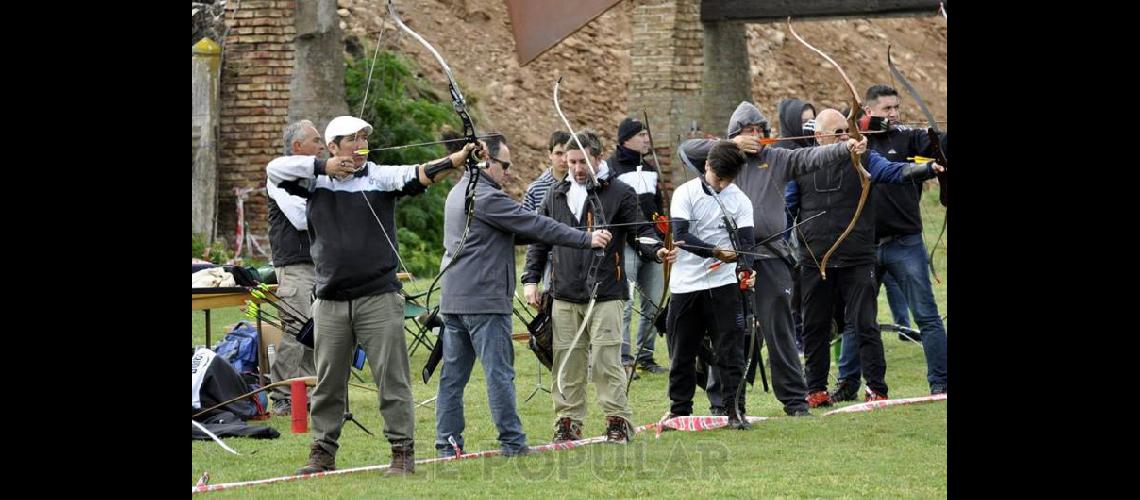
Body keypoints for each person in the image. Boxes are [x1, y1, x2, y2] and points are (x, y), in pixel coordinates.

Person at [267, 115, 479, 476]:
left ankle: (402, 452)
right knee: (329, 382)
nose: (361, 145)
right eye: (352, 139)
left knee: (391, 377)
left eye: (364, 139)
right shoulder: (313, 180)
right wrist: (325, 167)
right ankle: (322, 451)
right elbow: (274, 169)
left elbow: (418, 173)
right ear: (333, 147)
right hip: (331, 299)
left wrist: (458, 159)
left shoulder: (378, 176)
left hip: (378, 296)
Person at [679, 100, 866, 418]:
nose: (755, 136)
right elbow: (686, 149)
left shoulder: (777, 158)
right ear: (735, 134)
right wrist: (731, 145)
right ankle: (722, 402)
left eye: (759, 130)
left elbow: (810, 156)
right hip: (728, 257)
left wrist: (846, 146)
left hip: (770, 255)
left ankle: (794, 401)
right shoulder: (722, 160)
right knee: (724, 330)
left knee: (779, 328)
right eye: (747, 131)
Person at [435, 133, 611, 457]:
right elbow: (536, 225)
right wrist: (586, 239)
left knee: (452, 377)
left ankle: (447, 444)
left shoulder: (457, 193)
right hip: (484, 301)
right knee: (499, 373)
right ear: (486, 162)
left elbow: (505, 234)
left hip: (454, 299)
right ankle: (513, 443)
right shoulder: (489, 198)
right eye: (505, 165)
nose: (509, 172)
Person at [522, 131, 675, 444]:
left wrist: (657, 250)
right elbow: (540, 238)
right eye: (572, 161)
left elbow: (639, 230)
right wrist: (530, 280)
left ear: (598, 159)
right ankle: (567, 421)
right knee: (566, 362)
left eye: (583, 161)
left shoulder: (619, 192)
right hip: (564, 292)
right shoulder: (554, 194)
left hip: (606, 291)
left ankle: (617, 420)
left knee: (607, 361)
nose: (577, 168)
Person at [786, 109, 944, 407]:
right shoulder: (802, 164)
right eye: (837, 133)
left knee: (865, 324)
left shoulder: (864, 158)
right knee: (815, 326)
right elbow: (788, 208)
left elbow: (895, 172)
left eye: (847, 131)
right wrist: (785, 250)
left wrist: (929, 169)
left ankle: (876, 388)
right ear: (818, 137)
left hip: (857, 257)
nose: (845, 137)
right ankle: (816, 389)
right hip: (815, 261)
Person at [831, 84, 949, 400]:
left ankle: (941, 383)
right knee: (857, 318)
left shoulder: (909, 137)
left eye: (897, 107)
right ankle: (847, 383)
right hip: (865, 245)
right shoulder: (854, 142)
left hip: (905, 241)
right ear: (867, 111)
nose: (894, 113)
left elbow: (940, 144)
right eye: (887, 109)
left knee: (926, 314)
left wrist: (938, 145)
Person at [662, 140, 756, 429]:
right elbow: (680, 236)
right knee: (682, 353)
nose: (722, 185)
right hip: (686, 287)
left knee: (731, 351)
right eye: (718, 178)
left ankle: (733, 410)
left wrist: (747, 268)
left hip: (723, 285)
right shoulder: (685, 194)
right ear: (706, 166)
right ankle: (680, 411)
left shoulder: (740, 200)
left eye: (728, 181)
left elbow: (747, 244)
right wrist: (715, 251)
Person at [264, 119, 323, 416]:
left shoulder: (313, 178)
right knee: (296, 328)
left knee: (316, 331)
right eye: (316, 140)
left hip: (316, 264)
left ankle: (309, 390)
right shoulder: (279, 177)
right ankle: (283, 396)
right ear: (298, 146)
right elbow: (301, 219)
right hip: (294, 265)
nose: (322, 146)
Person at [604, 117, 668, 375]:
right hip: (626, 245)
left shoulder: (651, 169)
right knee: (626, 304)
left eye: (646, 134)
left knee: (653, 304)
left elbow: (657, 207)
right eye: (641, 134)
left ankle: (646, 357)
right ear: (626, 139)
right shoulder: (610, 169)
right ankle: (623, 358)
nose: (646, 138)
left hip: (652, 244)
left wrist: (661, 236)